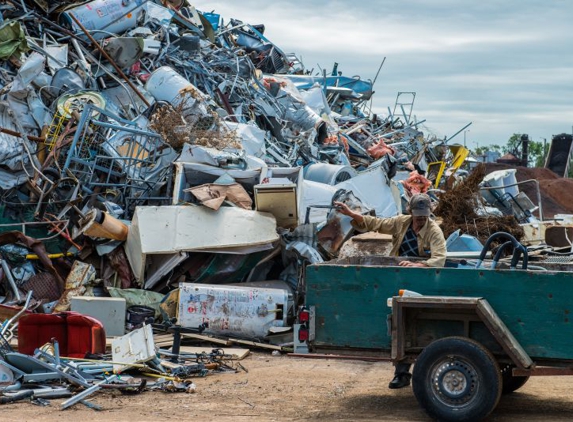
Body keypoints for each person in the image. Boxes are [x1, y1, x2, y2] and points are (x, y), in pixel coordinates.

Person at [334, 193, 447, 388]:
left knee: (412, 323)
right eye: (417, 215)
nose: (420, 219)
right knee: (396, 321)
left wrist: (419, 265)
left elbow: (440, 258)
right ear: (410, 212)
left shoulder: (434, 231)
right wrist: (352, 214)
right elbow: (375, 223)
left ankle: (411, 371)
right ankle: (401, 373)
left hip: (421, 282)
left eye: (424, 216)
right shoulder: (401, 223)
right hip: (397, 278)